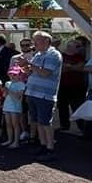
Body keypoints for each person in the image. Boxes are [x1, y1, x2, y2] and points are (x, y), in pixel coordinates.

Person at [17, 31, 63, 162]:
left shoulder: (53, 54)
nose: (34, 43)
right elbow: (31, 71)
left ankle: (50, 148)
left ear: (46, 42)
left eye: (36, 41)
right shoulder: (38, 54)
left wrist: (29, 64)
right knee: (37, 121)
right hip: (32, 92)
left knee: (45, 122)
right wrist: (25, 66)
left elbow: (46, 73)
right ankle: (43, 145)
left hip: (44, 94)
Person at [57, 39, 87, 132]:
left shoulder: (80, 57)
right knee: (62, 106)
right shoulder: (60, 56)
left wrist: (68, 66)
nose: (78, 48)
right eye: (76, 46)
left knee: (77, 107)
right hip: (62, 86)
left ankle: (82, 127)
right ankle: (64, 125)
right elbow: (59, 69)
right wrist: (72, 67)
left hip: (77, 86)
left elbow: (81, 67)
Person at [1, 66, 27, 149]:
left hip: (15, 107)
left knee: (15, 124)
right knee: (8, 124)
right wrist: (4, 91)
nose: (12, 76)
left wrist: (9, 91)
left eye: (15, 75)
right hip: (7, 105)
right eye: (11, 74)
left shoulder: (21, 84)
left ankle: (16, 142)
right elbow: (5, 95)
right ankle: (9, 139)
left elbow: (18, 97)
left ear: (20, 75)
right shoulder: (8, 83)